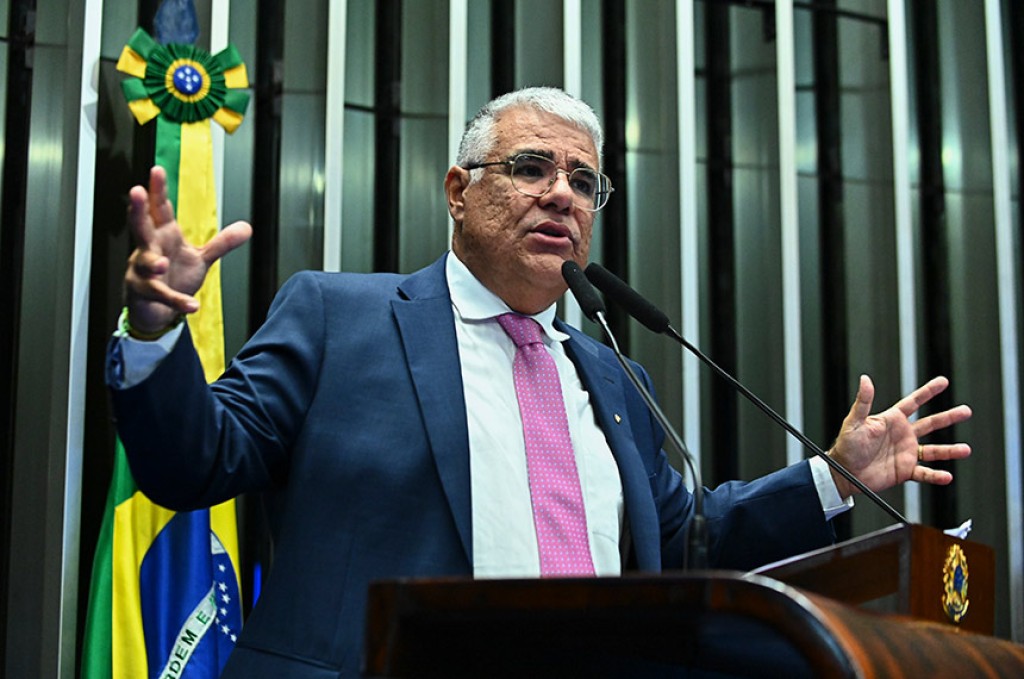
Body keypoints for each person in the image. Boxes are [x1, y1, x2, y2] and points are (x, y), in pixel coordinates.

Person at [108, 87, 972, 677]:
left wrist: (833, 476)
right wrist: (154, 331)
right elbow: (194, 460)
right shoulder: (340, 318)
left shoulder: (613, 374)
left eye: (584, 181)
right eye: (531, 167)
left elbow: (687, 545)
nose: (562, 194)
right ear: (458, 191)